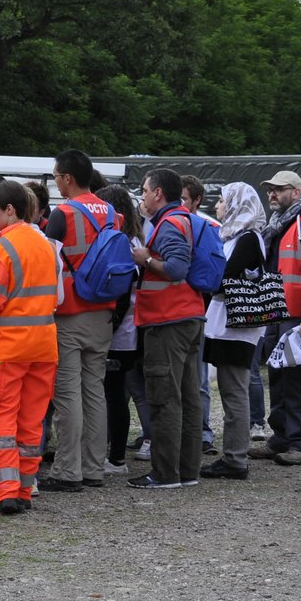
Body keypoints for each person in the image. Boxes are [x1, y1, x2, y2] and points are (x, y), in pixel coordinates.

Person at [0, 180, 59, 514]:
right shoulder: (45, 246)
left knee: (2, 423)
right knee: (31, 424)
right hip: (42, 347)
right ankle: (23, 489)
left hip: (5, 350)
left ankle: (6, 491)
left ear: (10, 210)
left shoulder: (1, 248)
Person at [40, 149, 117, 493]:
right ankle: (93, 468)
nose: (55, 183)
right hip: (103, 309)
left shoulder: (65, 212)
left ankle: (67, 471)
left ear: (67, 178)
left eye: (56, 177)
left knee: (68, 394)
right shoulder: (111, 211)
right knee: (94, 392)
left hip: (70, 313)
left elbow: (46, 264)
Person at [250, 169, 301, 467]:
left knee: (297, 381)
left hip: (299, 317)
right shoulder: (279, 225)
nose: (272, 194)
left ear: (296, 193)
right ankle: (282, 437)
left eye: (279, 189)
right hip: (278, 314)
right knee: (279, 378)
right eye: (270, 189)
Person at [128, 168, 205, 489]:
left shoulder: (169, 223)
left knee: (164, 398)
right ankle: (187, 471)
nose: (143, 196)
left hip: (167, 321)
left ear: (158, 192)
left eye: (145, 191)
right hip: (188, 317)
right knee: (188, 397)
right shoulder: (183, 218)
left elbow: (175, 268)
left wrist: (145, 259)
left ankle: (164, 473)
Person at [199, 183, 269, 481]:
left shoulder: (248, 239)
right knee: (230, 390)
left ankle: (235, 458)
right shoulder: (237, 236)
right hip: (228, 324)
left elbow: (223, 278)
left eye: (223, 201)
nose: (218, 207)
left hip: (237, 326)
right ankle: (233, 455)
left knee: (234, 391)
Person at [96, 183, 149, 476]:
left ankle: (115, 457)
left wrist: (109, 322)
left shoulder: (121, 243)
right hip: (126, 329)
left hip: (120, 330)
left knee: (113, 394)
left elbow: (119, 290)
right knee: (114, 393)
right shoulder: (133, 241)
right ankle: (112, 454)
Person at [181, 175, 218, 453]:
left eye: (183, 199)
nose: (179, 204)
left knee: (199, 379)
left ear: (197, 201)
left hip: (197, 313)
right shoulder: (163, 226)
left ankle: (203, 432)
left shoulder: (207, 229)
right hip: (171, 314)